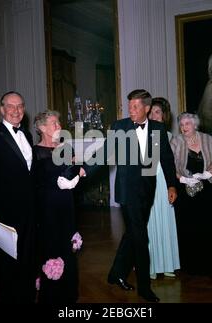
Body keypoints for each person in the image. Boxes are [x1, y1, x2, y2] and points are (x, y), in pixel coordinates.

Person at [82, 89, 177, 302]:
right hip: (127, 192)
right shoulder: (120, 126)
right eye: (129, 106)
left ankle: (115, 274)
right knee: (141, 238)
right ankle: (145, 287)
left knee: (133, 234)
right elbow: (105, 152)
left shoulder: (158, 128)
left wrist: (172, 185)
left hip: (147, 191)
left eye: (135, 106)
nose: (130, 110)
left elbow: (167, 159)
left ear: (147, 108)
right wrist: (85, 169)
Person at [0, 91, 36, 303]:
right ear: (2, 109)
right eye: (11, 106)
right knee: (7, 261)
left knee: (27, 257)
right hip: (5, 212)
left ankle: (27, 296)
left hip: (29, 211)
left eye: (20, 106)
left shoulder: (27, 135)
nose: (16, 110)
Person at [33, 110, 81, 304]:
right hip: (47, 211)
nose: (59, 126)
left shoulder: (66, 149)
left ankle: (69, 297)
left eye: (59, 123)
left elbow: (75, 173)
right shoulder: (34, 152)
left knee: (68, 249)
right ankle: (51, 296)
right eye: (54, 123)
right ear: (42, 128)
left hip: (66, 208)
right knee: (51, 249)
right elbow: (35, 184)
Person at [170, 112, 212, 275]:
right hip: (184, 191)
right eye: (181, 124)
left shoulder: (207, 139)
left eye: (187, 124)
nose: (183, 127)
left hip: (206, 190)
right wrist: (183, 180)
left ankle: (208, 264)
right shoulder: (176, 142)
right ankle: (188, 264)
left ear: (195, 125)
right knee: (187, 227)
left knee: (207, 225)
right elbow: (169, 166)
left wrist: (208, 174)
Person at [147, 98, 180, 279]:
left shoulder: (168, 137)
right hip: (147, 182)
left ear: (164, 116)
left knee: (166, 220)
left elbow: (170, 164)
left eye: (157, 112)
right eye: (151, 112)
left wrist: (171, 186)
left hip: (163, 182)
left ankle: (168, 263)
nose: (153, 115)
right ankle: (150, 265)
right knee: (149, 221)